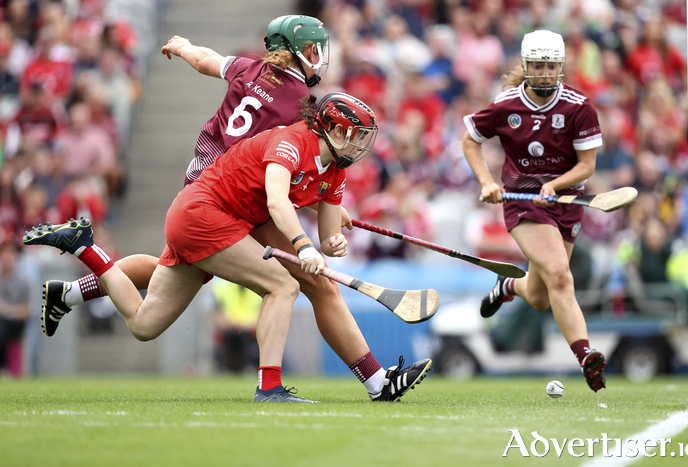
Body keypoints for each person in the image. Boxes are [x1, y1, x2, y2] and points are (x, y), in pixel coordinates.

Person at [37, 15, 431, 403]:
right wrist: (313, 208)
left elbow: (207, 59)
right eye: (314, 49)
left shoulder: (249, 68)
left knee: (161, 290)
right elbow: (284, 171)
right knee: (298, 283)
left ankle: (70, 291)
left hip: (206, 176)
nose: (320, 57)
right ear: (297, 52)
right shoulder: (303, 108)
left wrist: (183, 47)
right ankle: (355, 383)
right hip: (234, 194)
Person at [461, 30, 606, 392]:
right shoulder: (507, 104)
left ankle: (508, 285)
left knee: (541, 296)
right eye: (538, 65)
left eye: (550, 66)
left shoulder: (578, 106)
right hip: (523, 203)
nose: (544, 73)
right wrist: (486, 182)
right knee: (560, 274)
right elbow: (470, 141)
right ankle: (586, 356)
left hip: (566, 204)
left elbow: (586, 165)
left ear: (560, 67)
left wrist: (555, 185)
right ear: (525, 66)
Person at [0, 236, 30, 376]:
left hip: (16, 323)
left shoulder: (23, 283)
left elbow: (26, 310)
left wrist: (7, 310)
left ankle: (4, 366)